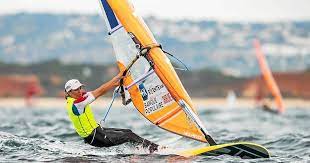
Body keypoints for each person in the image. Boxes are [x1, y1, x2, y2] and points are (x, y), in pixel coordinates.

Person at [64, 72, 159, 153]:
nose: (80, 91)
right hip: (95, 137)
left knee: (128, 132)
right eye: (76, 89)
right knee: (128, 136)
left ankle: (143, 150)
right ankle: (156, 149)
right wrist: (115, 79)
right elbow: (99, 92)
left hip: (98, 131)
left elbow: (97, 90)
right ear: (69, 92)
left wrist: (115, 83)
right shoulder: (76, 104)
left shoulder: (78, 98)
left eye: (80, 88)